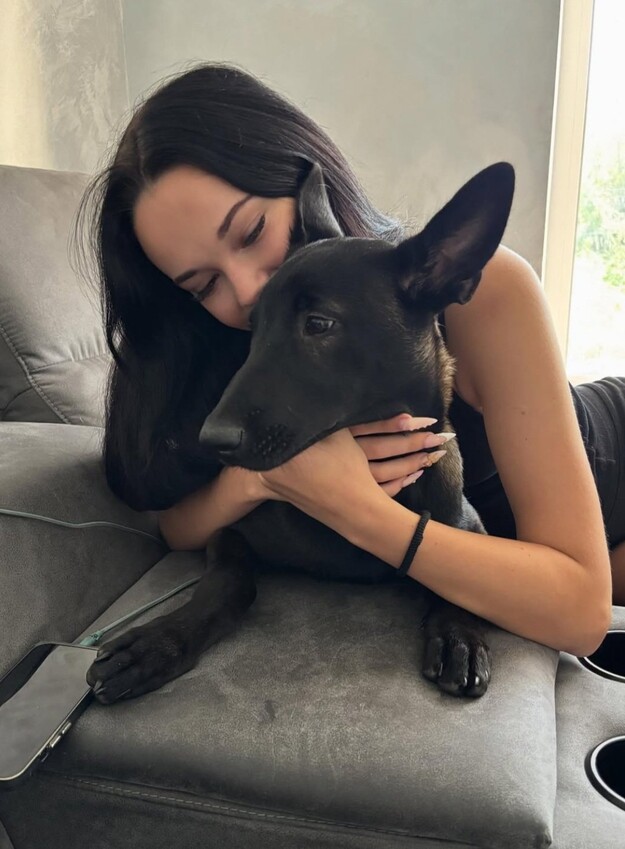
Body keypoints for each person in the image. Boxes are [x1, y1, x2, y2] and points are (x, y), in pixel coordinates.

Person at [75, 61, 624, 662]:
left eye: (252, 232)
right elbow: (178, 524)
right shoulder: (247, 340)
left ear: (301, 183)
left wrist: (354, 507)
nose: (249, 291)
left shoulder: (481, 291)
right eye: (203, 285)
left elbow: (580, 614)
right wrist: (259, 478)